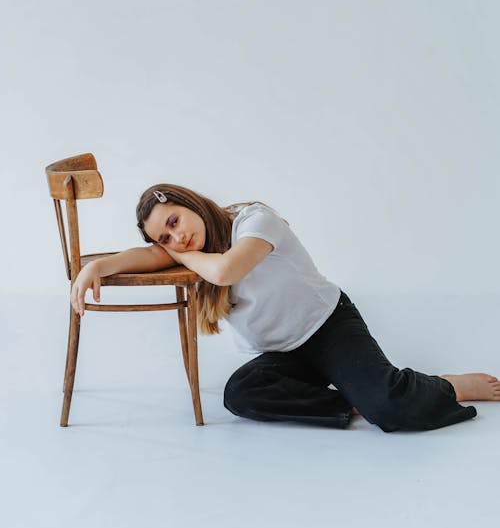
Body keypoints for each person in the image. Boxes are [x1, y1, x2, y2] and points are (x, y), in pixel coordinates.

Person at [70, 184, 500, 432]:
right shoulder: (194, 251)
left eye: (174, 222)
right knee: (239, 394)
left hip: (328, 326)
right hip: (284, 353)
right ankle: (348, 404)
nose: (176, 239)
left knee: (389, 410)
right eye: (164, 238)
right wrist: (100, 267)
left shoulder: (254, 221)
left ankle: (448, 386)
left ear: (191, 204)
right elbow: (146, 257)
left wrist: (175, 255)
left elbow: (225, 270)